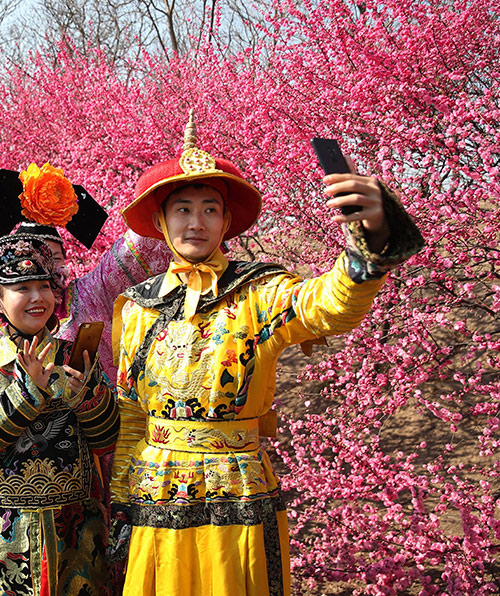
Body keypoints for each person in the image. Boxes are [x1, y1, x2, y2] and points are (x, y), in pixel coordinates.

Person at [108, 113, 424, 595]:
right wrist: (121, 499)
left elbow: (330, 306)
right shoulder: (135, 307)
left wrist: (372, 235)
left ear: (228, 220)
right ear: (159, 220)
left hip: (237, 486)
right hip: (154, 488)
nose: (196, 223)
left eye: (210, 209)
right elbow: (132, 413)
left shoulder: (259, 292)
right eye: (183, 209)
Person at [0, 235, 119, 596]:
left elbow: (106, 438)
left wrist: (86, 397)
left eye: (44, 286)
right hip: (6, 539)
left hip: (78, 527)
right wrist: (26, 394)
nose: (38, 297)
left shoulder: (76, 358)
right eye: (22, 288)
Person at [0, 163, 172, 382]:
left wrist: (176, 208)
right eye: (26, 278)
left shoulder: (93, 291)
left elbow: (133, 250)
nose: (44, 273)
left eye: (52, 262)